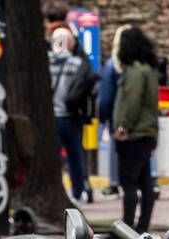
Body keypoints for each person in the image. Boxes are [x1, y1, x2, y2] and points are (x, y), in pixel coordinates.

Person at [112, 26, 160, 232]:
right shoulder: (147, 69)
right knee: (145, 181)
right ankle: (141, 225)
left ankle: (128, 225)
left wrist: (124, 126)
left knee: (129, 181)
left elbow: (131, 102)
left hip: (135, 134)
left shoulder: (134, 71)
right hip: (147, 132)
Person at [49, 27, 96, 203]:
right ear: (70, 43)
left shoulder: (45, 62)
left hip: (50, 118)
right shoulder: (76, 63)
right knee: (75, 156)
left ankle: (53, 191)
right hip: (70, 117)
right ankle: (78, 192)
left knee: (52, 158)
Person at [97, 26, 129, 198]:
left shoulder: (111, 66)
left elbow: (106, 97)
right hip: (137, 118)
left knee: (115, 150)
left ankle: (115, 183)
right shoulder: (143, 66)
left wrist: (104, 118)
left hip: (116, 116)